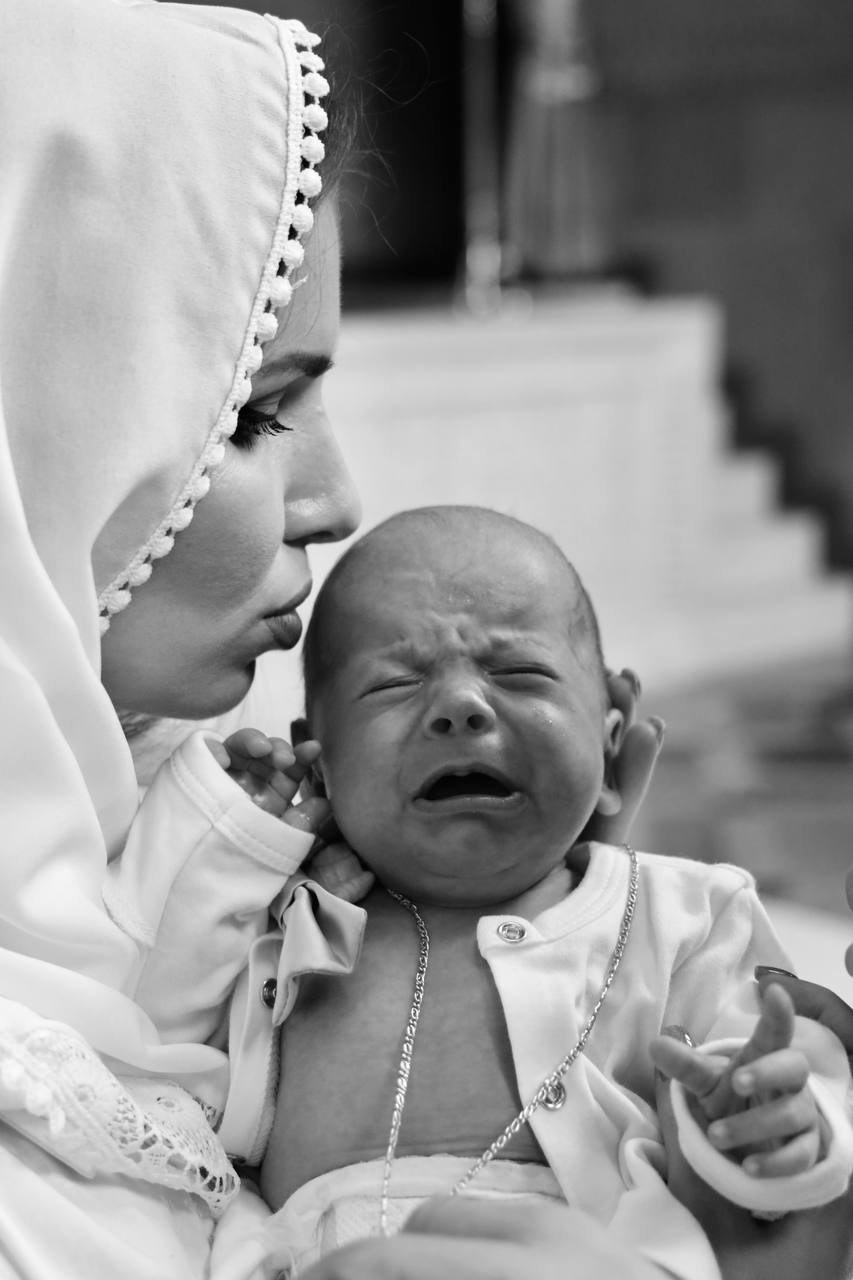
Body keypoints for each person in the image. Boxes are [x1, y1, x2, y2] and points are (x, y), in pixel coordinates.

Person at [1, 2, 848, 1278]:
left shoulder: (170, 800)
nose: (339, 499)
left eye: (515, 668)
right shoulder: (262, 888)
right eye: (255, 414)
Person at [197, 506, 852, 1279]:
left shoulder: (683, 915)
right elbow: (173, 1057)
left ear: (611, 751)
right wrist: (232, 852)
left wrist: (774, 1130)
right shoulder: (290, 924)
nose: (460, 706)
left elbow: (777, 1056)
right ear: (322, 764)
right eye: (395, 684)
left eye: (518, 674)